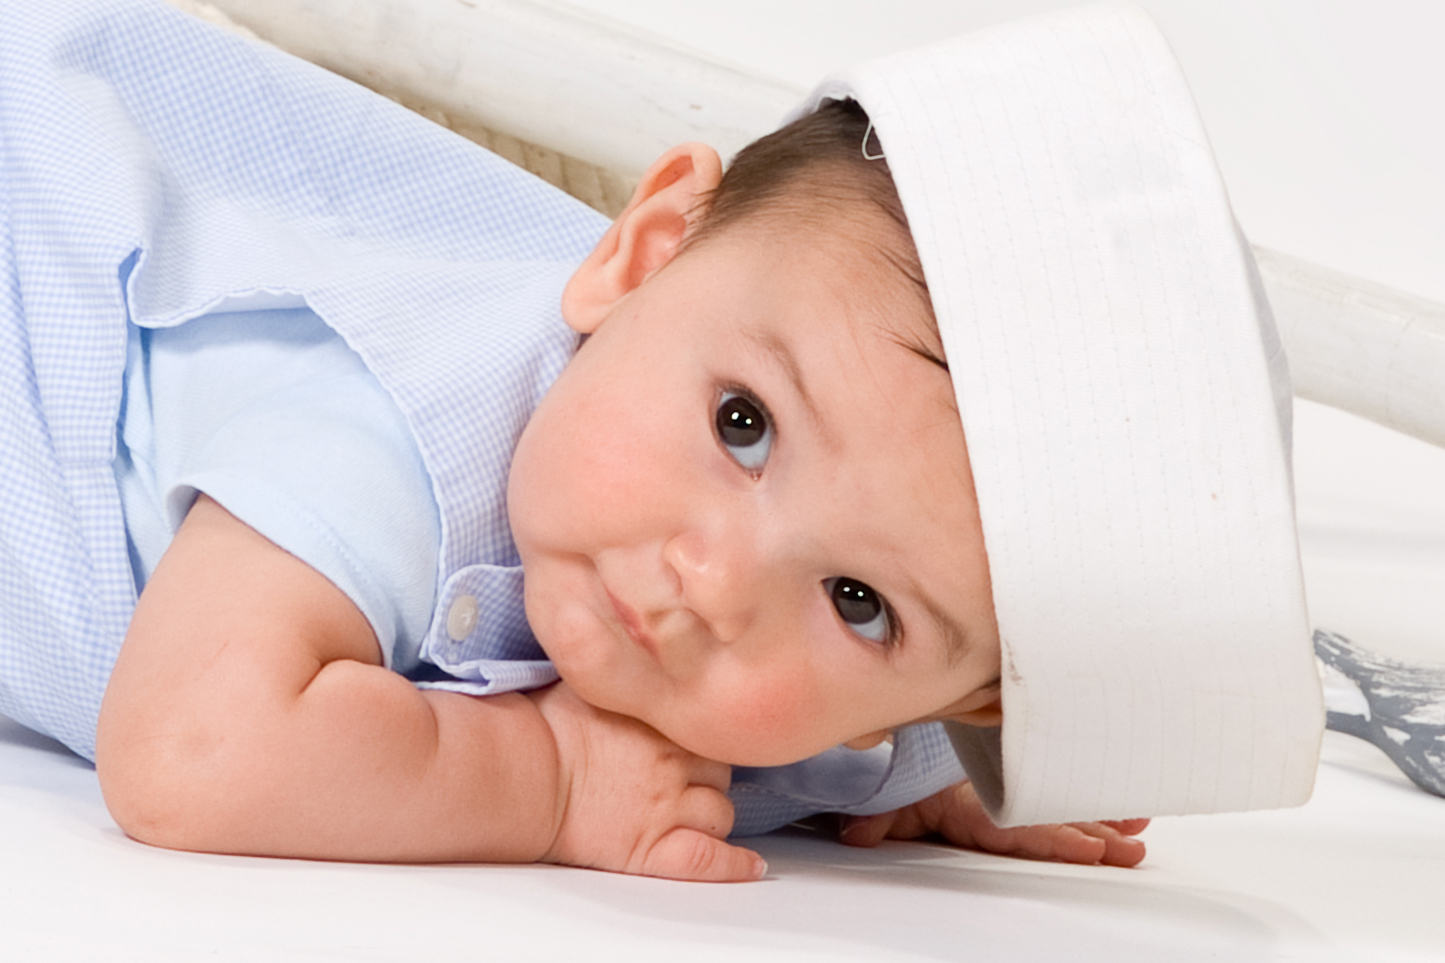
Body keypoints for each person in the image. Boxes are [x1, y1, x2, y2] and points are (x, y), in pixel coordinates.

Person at [0, 0, 1322, 882]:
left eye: (857, 604)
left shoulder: (789, 679)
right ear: (643, 257)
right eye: (743, 425)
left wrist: (921, 782)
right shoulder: (405, 425)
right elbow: (190, 754)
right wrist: (537, 781)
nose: (716, 582)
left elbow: (865, 712)